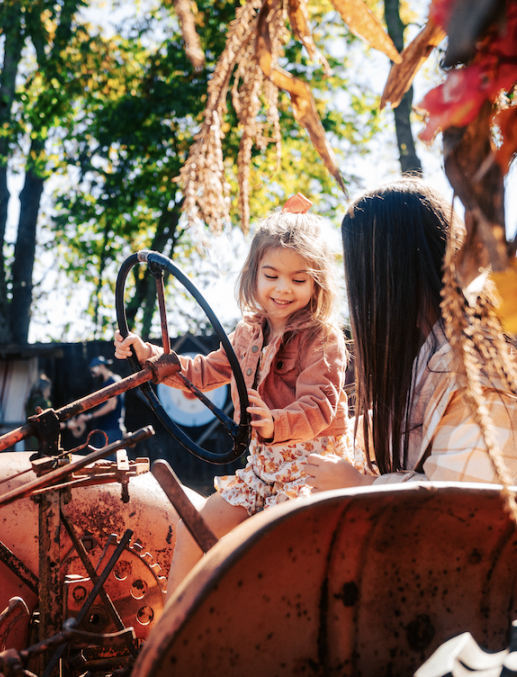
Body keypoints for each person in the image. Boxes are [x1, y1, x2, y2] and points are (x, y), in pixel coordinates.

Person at [115, 193, 360, 594]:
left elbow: (320, 405)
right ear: (254, 275)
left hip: (310, 470)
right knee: (208, 518)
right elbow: (204, 371)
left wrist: (275, 422)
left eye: (299, 280)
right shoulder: (248, 332)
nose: (283, 289)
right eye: (272, 275)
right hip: (262, 469)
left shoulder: (322, 337)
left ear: (317, 283)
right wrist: (152, 358)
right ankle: (172, 620)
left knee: (272, 536)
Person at [305, 179, 517, 489]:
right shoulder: (436, 353)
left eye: (362, 270)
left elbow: (463, 500)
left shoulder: (475, 361)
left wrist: (357, 486)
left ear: (390, 269)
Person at [68, 356, 126, 444]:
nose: (93, 375)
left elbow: (111, 405)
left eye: (93, 372)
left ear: (101, 366)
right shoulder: (105, 384)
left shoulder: (113, 381)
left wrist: (89, 416)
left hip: (112, 429)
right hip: (104, 429)